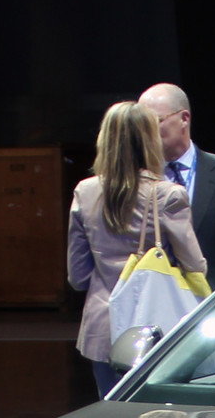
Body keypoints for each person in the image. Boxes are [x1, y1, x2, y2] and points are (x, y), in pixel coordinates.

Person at [68, 100, 204, 397]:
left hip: (102, 332)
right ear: (149, 141)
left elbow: (77, 277)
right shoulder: (168, 194)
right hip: (155, 329)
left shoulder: (84, 192)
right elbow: (195, 265)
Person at [139, 83, 215, 282]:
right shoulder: (137, 182)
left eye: (155, 121)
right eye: (141, 124)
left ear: (184, 119)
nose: (146, 131)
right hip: (159, 304)